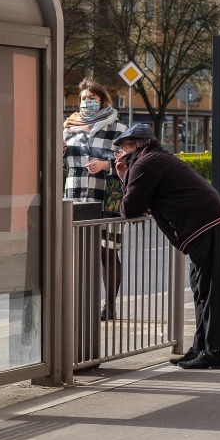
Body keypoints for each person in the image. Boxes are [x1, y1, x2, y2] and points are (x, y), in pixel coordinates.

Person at [113, 124, 220, 370]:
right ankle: (202, 348)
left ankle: (213, 353)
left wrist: (124, 176)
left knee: (209, 289)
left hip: (204, 223)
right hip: (208, 221)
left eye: (124, 146)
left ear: (138, 145)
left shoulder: (145, 164)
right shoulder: (154, 159)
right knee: (202, 288)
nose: (120, 151)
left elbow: (130, 208)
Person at [63, 79, 127, 321]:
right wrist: (58, 155)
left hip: (104, 199)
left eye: (92, 99)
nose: (86, 103)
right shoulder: (69, 128)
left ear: (103, 101)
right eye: (83, 99)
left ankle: (109, 305)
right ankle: (79, 303)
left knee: (107, 252)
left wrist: (107, 165)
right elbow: (64, 165)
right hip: (75, 198)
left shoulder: (118, 130)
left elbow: (131, 162)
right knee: (77, 253)